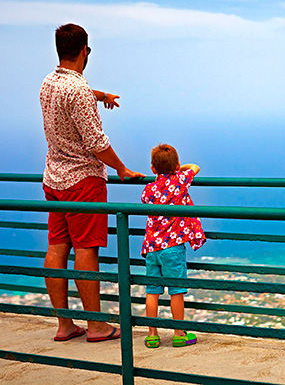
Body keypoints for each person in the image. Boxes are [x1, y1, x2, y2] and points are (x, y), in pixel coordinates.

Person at [40, 23, 144, 342]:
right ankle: (96, 325)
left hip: (54, 180)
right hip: (83, 182)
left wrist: (103, 96)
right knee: (86, 250)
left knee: (56, 248)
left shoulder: (48, 83)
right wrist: (123, 170)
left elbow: (78, 96)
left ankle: (65, 323)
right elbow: (97, 142)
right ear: (85, 51)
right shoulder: (79, 90)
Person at [141, 144, 206, 348]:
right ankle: (179, 333)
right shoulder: (179, 181)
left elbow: (144, 201)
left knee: (152, 291)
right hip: (173, 247)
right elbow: (194, 167)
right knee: (176, 291)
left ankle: (152, 334)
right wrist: (179, 169)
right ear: (177, 165)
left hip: (152, 248)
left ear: (152, 169)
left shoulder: (149, 189)